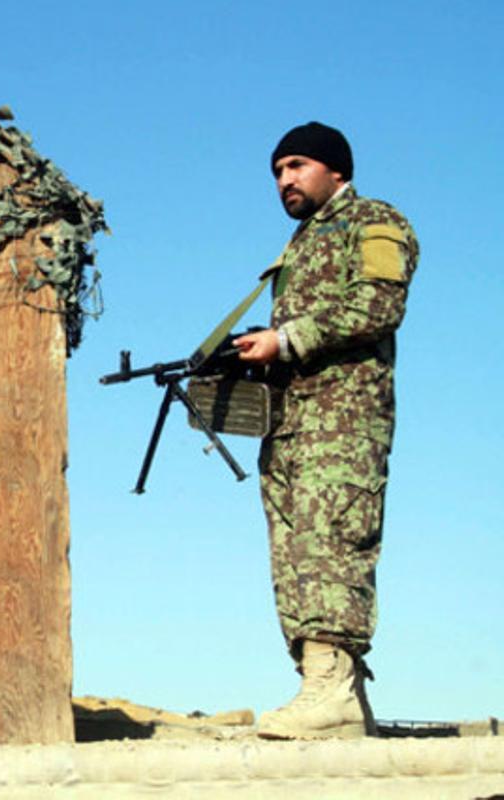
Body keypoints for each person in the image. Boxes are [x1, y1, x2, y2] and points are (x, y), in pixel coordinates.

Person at [233, 122, 419, 739]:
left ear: (336, 169)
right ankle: (331, 691)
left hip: (344, 423)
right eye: (277, 172)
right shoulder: (298, 246)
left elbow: (377, 305)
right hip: (290, 424)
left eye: (296, 165)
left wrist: (284, 339)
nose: (285, 179)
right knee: (292, 552)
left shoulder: (376, 221)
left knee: (332, 541)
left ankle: (331, 687)